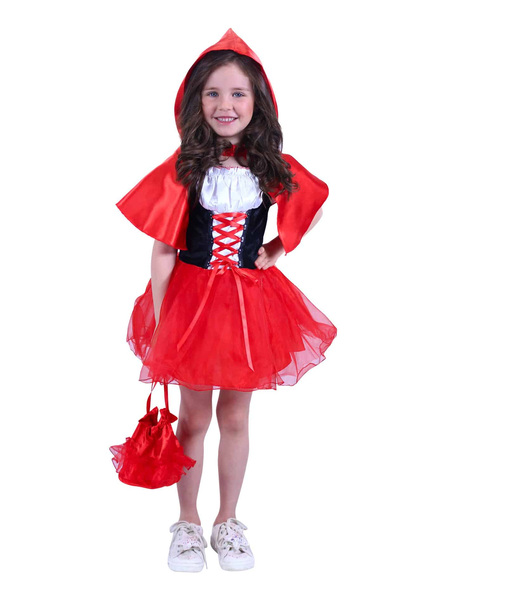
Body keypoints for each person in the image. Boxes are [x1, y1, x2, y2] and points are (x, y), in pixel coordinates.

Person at [115, 29, 337, 572]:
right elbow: (163, 251)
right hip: (191, 304)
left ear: (258, 101)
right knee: (194, 418)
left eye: (238, 93)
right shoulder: (184, 168)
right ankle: (188, 523)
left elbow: (313, 203)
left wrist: (276, 250)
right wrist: (163, 320)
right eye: (212, 93)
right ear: (196, 100)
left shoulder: (269, 165)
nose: (225, 104)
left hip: (249, 305)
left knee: (235, 415)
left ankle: (228, 521)